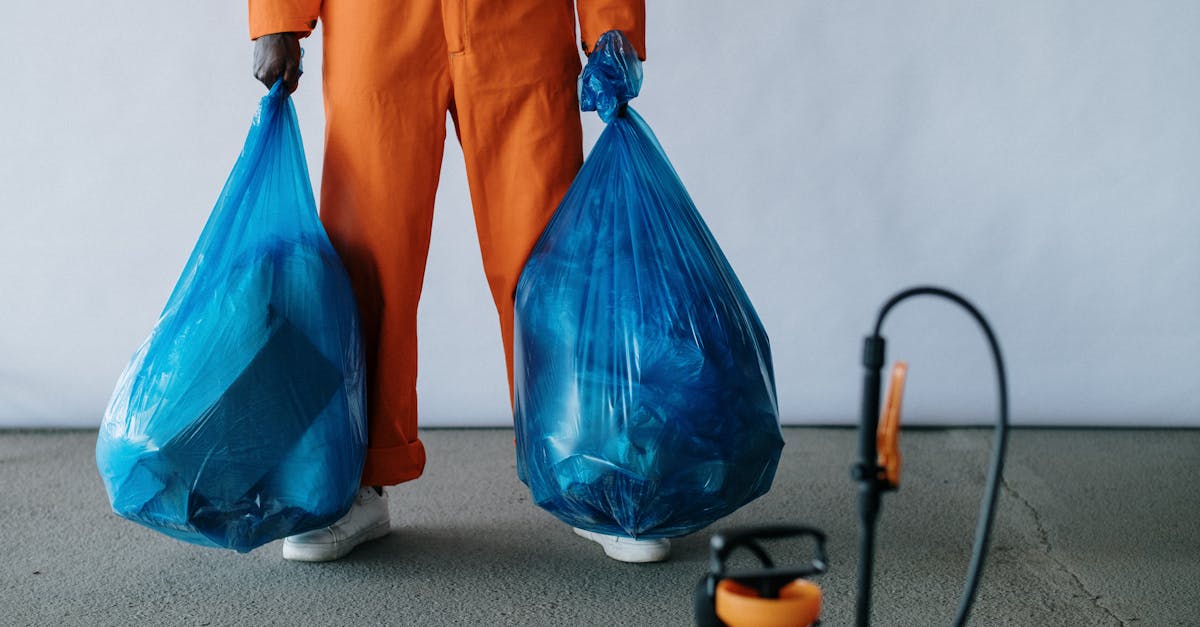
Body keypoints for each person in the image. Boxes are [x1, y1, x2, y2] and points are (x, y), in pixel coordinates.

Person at [248, 0, 666, 563]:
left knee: (549, 257)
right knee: (368, 257)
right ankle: (356, 478)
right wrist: (277, 16)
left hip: (519, 23)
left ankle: (592, 470)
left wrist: (612, 22)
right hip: (378, 24)